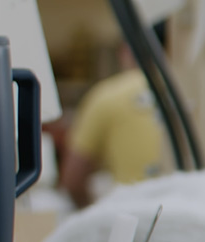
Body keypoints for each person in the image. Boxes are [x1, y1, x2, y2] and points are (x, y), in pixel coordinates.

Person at [62, 42, 168, 209]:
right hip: (180, 209)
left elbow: (73, 180)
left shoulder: (106, 96)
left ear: (125, 51)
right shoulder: (182, 92)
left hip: (131, 212)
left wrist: (93, 212)